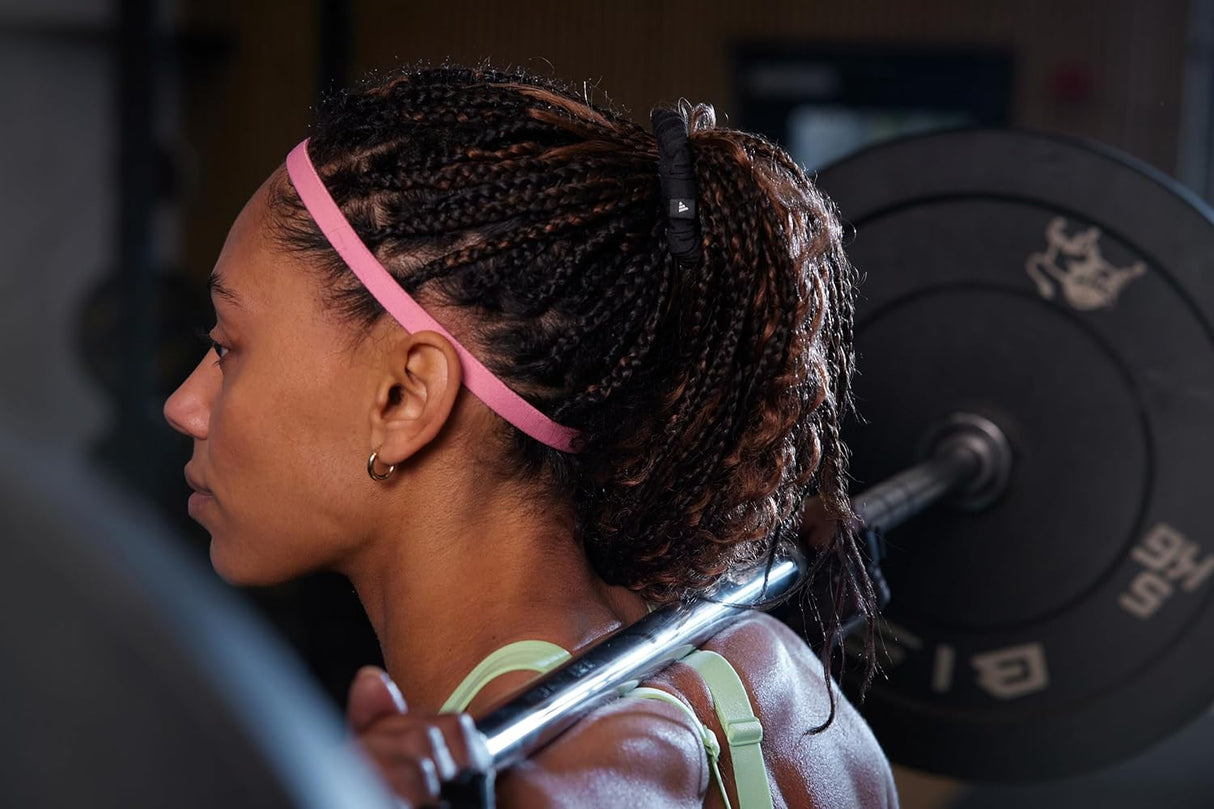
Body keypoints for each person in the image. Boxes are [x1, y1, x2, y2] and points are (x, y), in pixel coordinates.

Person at [164, 63, 898, 808]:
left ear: (406, 396)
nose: (184, 405)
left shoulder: (544, 785)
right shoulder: (781, 677)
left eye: (227, 347)